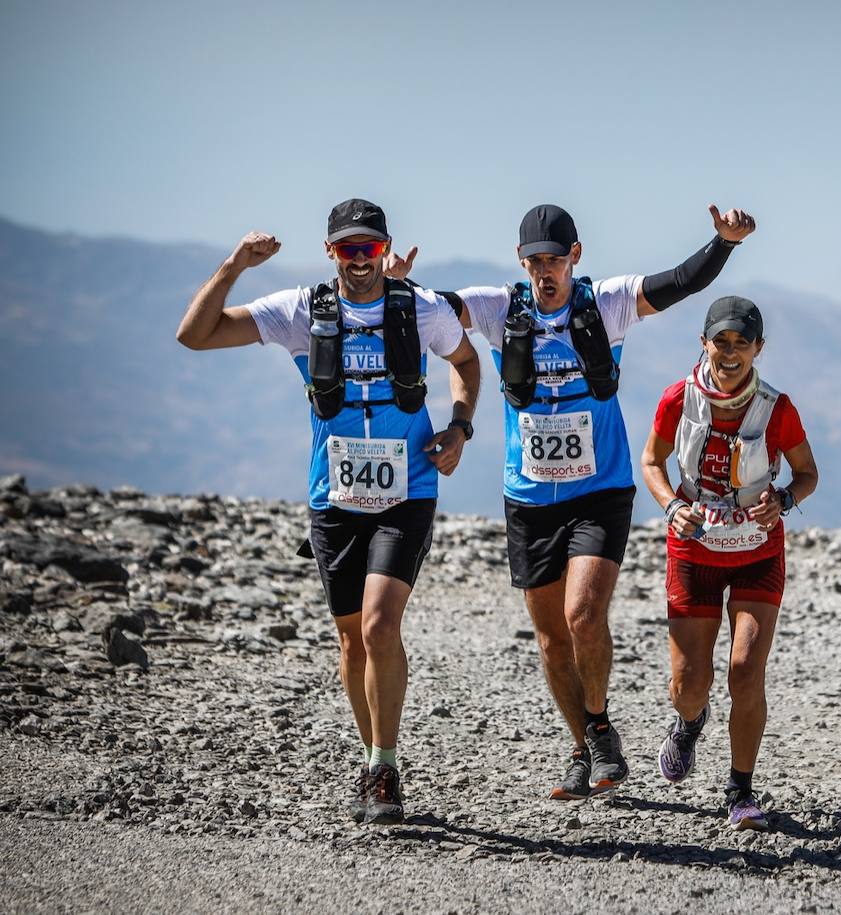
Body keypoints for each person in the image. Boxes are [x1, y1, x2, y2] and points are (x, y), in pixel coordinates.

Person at [398, 202, 756, 798]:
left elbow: (679, 282)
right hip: (529, 496)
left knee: (582, 616)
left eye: (555, 260)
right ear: (521, 261)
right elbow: (436, 309)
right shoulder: (497, 308)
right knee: (549, 640)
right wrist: (398, 283)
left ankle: (599, 724)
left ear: (575, 258)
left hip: (600, 489)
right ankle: (586, 740)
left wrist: (722, 244)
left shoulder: (605, 305)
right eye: (534, 260)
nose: (545, 271)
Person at [175, 199, 481, 823]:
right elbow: (195, 335)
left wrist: (459, 429)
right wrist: (235, 264)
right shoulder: (300, 312)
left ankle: (384, 768)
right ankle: (371, 754)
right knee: (350, 640)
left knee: (378, 626)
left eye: (370, 248)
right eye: (349, 249)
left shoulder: (420, 309)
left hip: (408, 490)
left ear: (385, 247)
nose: (361, 260)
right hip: (334, 499)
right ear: (330, 252)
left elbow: (468, 363)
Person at [641, 296, 817, 830]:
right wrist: (672, 506)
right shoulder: (679, 399)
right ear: (704, 343)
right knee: (690, 682)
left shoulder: (776, 409)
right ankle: (690, 723)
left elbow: (808, 474)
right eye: (722, 341)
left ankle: (740, 789)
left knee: (745, 673)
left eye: (743, 343)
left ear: (758, 348)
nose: (732, 353)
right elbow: (651, 460)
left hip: (757, 554)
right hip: (694, 551)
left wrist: (782, 500)